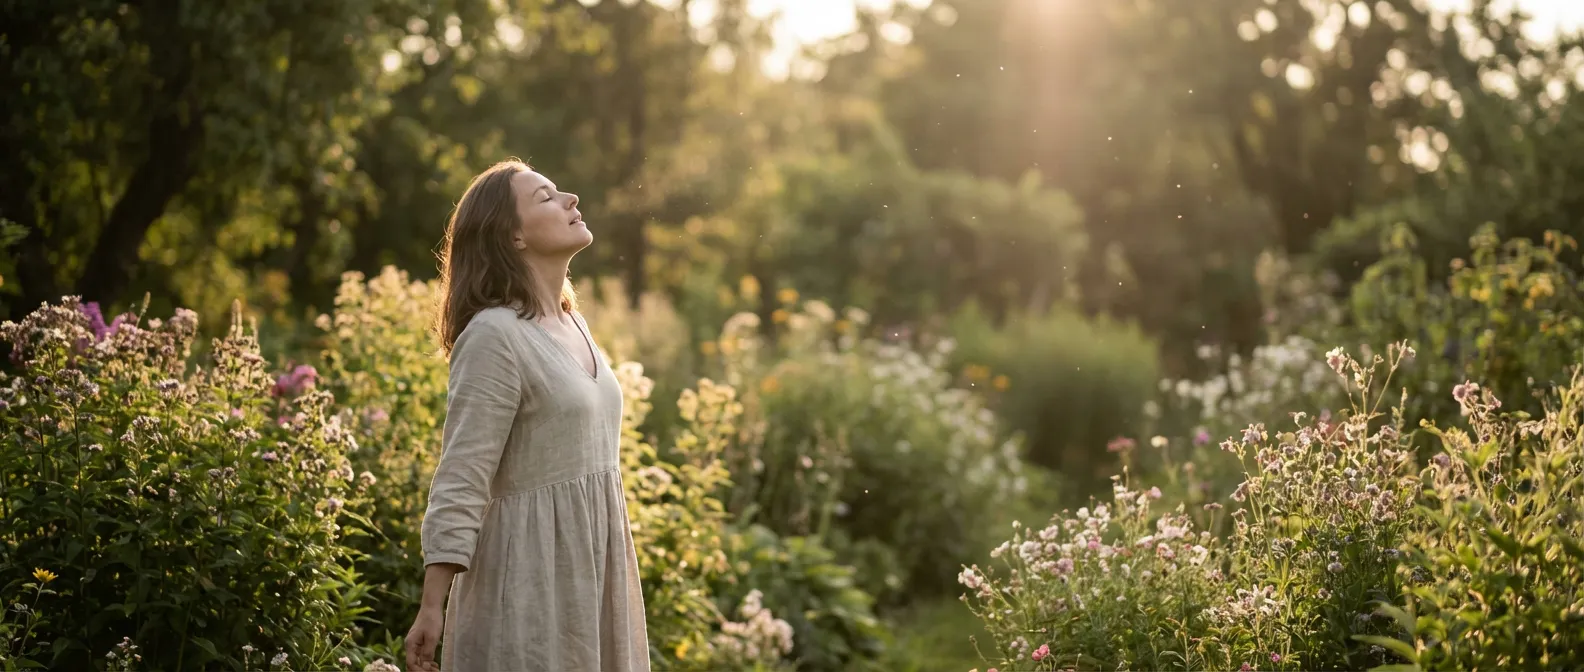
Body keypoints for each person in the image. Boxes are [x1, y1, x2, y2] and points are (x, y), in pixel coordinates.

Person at [404, 159, 649, 672]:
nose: (570, 200)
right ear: (512, 236)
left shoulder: (572, 321)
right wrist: (433, 605)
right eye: (546, 197)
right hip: (530, 576)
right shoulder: (495, 334)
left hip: (593, 567)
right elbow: (463, 472)